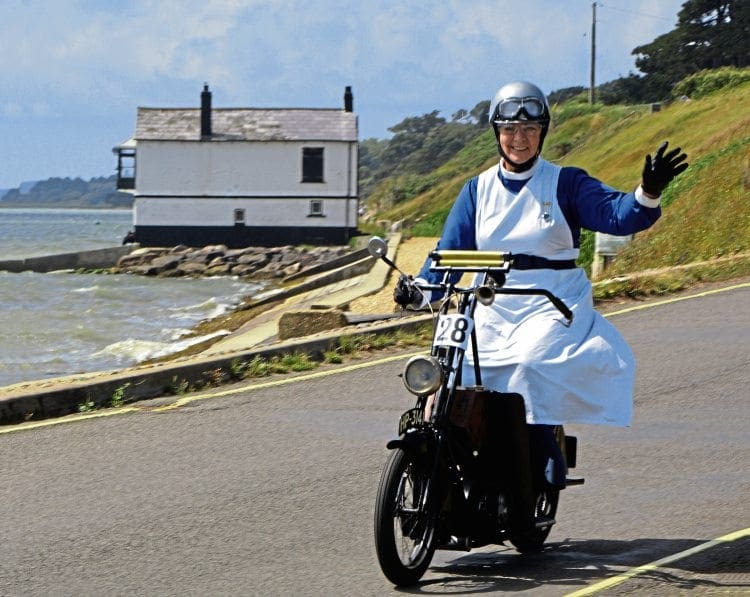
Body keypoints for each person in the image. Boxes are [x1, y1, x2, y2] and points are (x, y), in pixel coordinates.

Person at [393, 81, 688, 509]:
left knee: (527, 364)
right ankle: (449, 465)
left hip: (552, 301)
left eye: (530, 129)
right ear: (496, 132)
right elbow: (448, 256)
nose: (519, 138)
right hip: (491, 300)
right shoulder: (476, 190)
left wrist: (648, 191)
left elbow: (617, 215)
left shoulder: (566, 183)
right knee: (450, 373)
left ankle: (541, 459)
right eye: (510, 129)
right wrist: (419, 291)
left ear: (543, 132)